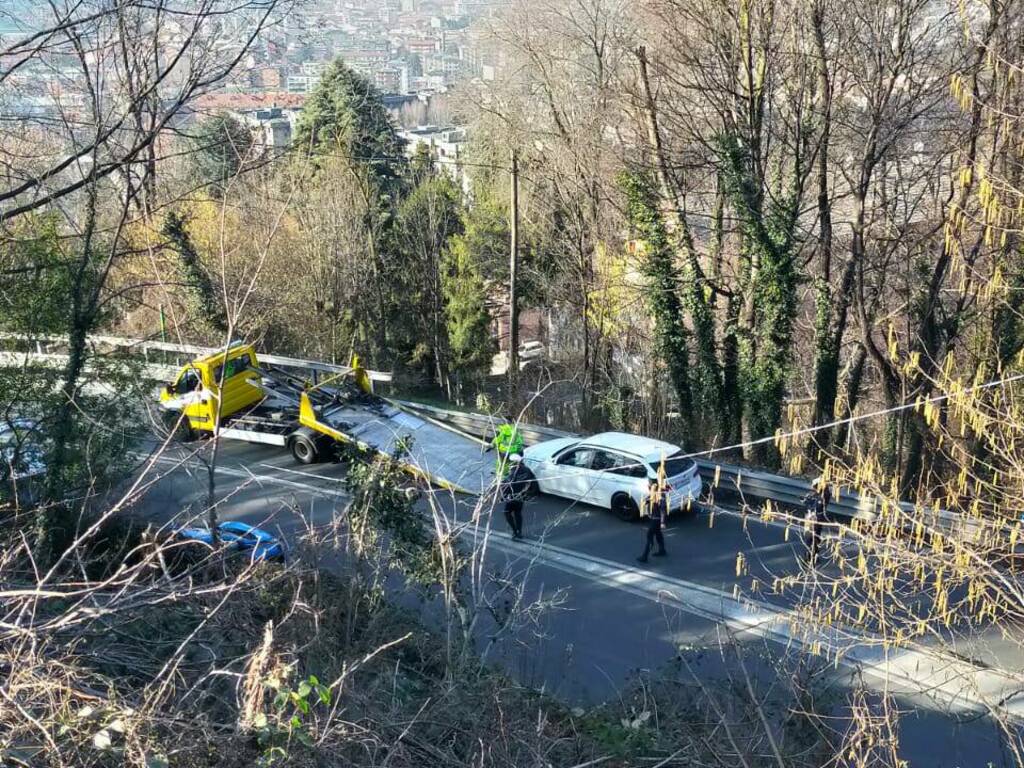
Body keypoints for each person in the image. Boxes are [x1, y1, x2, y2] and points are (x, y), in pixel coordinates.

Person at [637, 477, 668, 563]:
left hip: (656, 519)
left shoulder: (660, 496)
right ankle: (662, 550)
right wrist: (645, 501)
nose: (648, 485)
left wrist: (662, 522)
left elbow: (662, 509)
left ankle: (644, 556)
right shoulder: (654, 493)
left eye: (649, 483)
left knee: (650, 536)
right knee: (658, 534)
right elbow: (648, 499)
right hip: (654, 518)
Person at [802, 476, 831, 566]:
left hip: (816, 518)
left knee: (812, 537)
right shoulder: (815, 494)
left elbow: (817, 505)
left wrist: (809, 501)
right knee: (811, 537)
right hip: (811, 518)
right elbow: (809, 503)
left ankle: (811, 556)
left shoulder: (824, 495)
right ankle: (812, 555)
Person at [501, 453, 530, 539]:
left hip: (512, 496)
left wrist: (503, 497)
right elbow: (532, 482)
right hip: (521, 495)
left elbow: (507, 485)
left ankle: (514, 531)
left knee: (507, 512)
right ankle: (519, 531)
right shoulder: (526, 470)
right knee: (518, 513)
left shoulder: (512, 472)